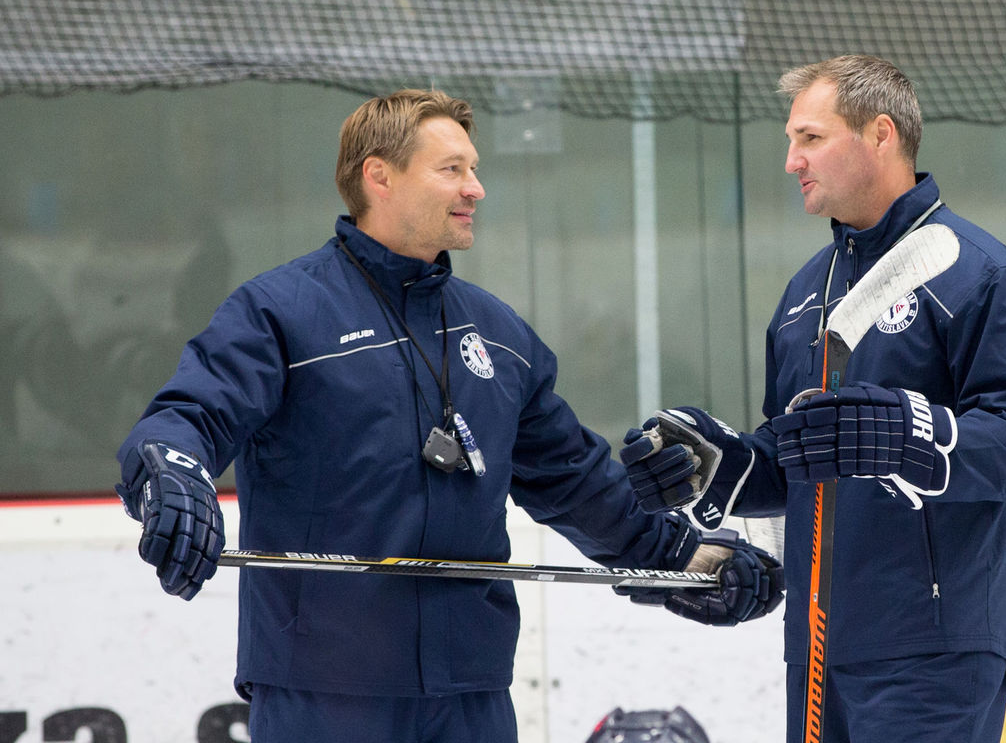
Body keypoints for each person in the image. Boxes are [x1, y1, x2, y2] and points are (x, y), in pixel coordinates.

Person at [113, 89, 783, 743]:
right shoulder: (281, 312)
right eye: (452, 169)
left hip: (469, 692)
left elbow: (577, 482)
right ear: (380, 177)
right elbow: (187, 419)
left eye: (475, 169)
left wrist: (680, 560)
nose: (475, 189)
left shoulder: (496, 335)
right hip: (325, 690)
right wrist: (171, 477)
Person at [620, 55, 1006, 743]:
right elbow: (799, 455)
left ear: (880, 134)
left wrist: (909, 436)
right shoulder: (804, 295)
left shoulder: (982, 276)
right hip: (820, 650)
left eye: (810, 138)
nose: (792, 160)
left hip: (936, 650)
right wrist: (726, 466)